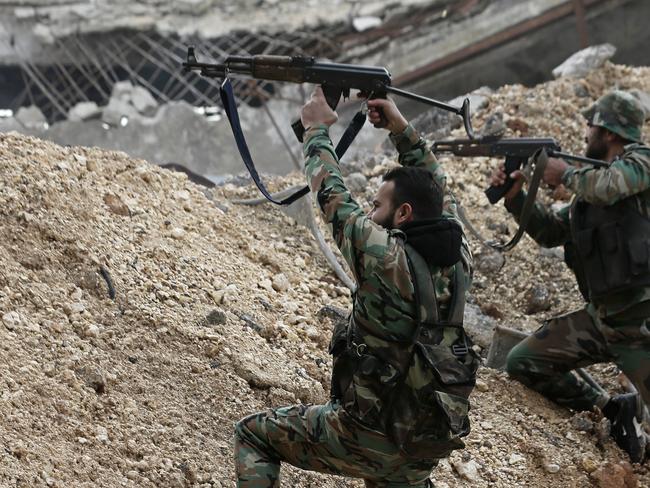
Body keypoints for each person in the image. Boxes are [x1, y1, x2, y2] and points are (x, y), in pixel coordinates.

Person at [233, 88, 479, 487]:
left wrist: (315, 129)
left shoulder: (384, 257)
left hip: (362, 438)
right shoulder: (460, 258)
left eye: (378, 206)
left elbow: (332, 193)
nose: (369, 213)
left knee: (253, 435)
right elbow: (437, 190)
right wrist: (400, 129)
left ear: (403, 213)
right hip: (419, 450)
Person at [494, 90, 650, 462]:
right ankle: (613, 409)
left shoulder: (641, 163)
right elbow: (550, 232)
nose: (585, 130)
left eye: (591, 124)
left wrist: (565, 173)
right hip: (602, 321)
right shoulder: (588, 198)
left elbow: (612, 186)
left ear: (610, 132)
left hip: (642, 327)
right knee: (523, 362)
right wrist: (517, 198)